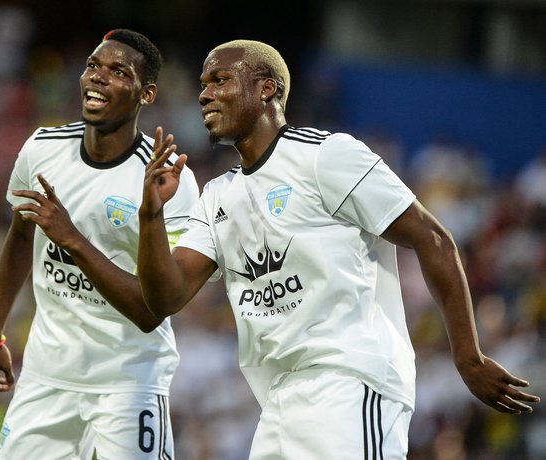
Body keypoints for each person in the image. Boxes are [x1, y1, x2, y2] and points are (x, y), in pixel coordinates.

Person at [137, 40, 540, 459]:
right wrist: (150, 215)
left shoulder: (326, 155)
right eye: (202, 84)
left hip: (350, 381)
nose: (204, 94)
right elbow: (165, 297)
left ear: (267, 89)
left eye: (219, 80)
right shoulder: (216, 196)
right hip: (277, 402)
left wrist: (468, 358)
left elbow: (431, 236)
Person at [0, 29, 199, 459]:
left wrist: (72, 238)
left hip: (128, 382)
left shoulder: (167, 178)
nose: (97, 77)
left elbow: (150, 311)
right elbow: (20, 237)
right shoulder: (42, 148)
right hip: (47, 376)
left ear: (146, 94)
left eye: (118, 72)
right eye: (93, 66)